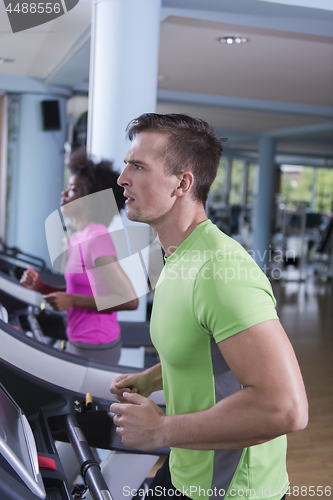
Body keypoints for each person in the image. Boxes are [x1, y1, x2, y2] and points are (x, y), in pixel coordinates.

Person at [110, 114, 308, 500]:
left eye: (137, 166)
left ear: (182, 184)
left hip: (231, 490)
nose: (122, 179)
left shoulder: (220, 270)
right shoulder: (177, 256)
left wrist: (159, 430)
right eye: (126, 164)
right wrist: (155, 377)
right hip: (187, 467)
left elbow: (285, 408)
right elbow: (207, 350)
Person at [20, 148, 138, 364]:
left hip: (97, 346)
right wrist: (42, 287)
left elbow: (130, 300)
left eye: (73, 189)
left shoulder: (96, 238)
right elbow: (78, 290)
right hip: (77, 339)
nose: (64, 193)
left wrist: (73, 300)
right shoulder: (79, 237)